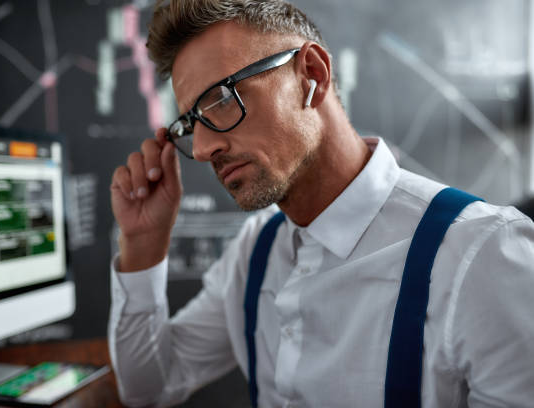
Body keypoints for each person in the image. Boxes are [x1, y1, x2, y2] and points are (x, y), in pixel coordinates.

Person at [108, 0, 534, 407]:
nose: (201, 148)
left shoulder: (481, 256)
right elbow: (150, 387)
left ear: (311, 74)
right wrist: (143, 244)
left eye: (220, 100)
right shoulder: (255, 250)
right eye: (191, 123)